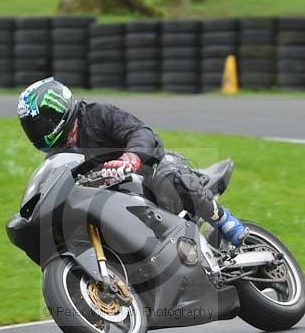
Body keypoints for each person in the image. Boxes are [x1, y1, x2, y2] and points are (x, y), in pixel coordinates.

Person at [17, 77, 248, 246]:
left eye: (39, 125)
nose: (37, 132)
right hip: (117, 200)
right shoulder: (59, 158)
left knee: (169, 179)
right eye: (31, 128)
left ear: (55, 111)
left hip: (150, 170)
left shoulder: (98, 115)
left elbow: (141, 132)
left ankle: (226, 222)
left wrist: (131, 158)